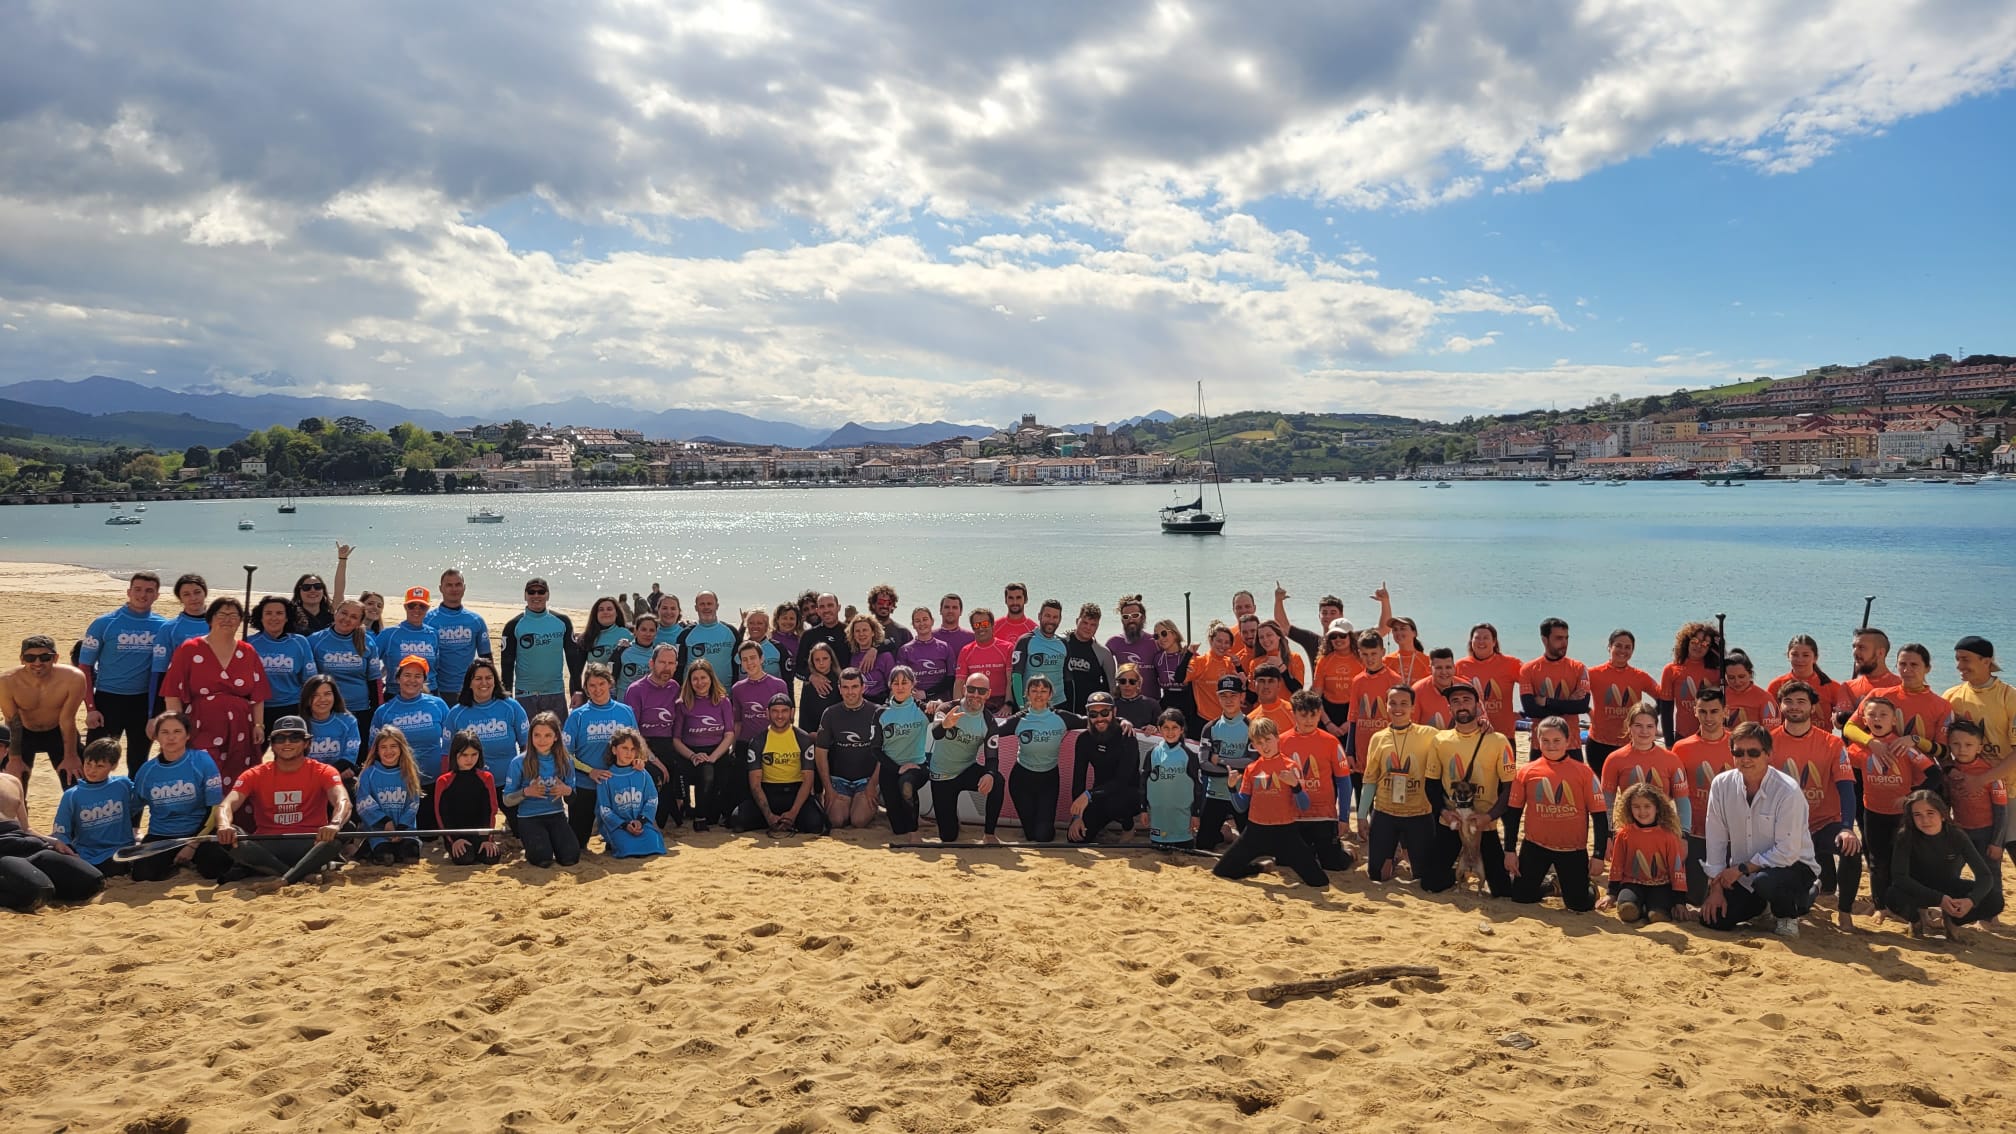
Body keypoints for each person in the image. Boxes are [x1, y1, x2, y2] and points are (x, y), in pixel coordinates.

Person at [1699, 723, 1818, 936]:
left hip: (1793, 866)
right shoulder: (1721, 785)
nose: (1745, 759)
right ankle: (1763, 907)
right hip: (1745, 872)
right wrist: (1715, 888)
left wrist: (1740, 869)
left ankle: (1790, 914)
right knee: (1714, 920)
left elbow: (1786, 852)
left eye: (1753, 752)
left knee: (1766, 882)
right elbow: (1715, 838)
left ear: (1768, 754)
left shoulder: (1787, 790)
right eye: (1738, 752)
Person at [215, 716, 353, 890]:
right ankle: (296, 874)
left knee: (347, 826)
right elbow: (226, 805)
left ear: (306, 743)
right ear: (272, 744)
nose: (287, 743)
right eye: (280, 738)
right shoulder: (254, 774)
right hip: (267, 844)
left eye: (295, 737)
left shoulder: (324, 771)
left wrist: (334, 824)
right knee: (228, 833)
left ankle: (281, 877)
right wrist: (224, 825)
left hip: (311, 843)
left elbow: (343, 801)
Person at [1767, 680, 1861, 930]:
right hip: (1784, 828)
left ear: (1812, 707)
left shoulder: (1832, 743)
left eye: (1801, 701)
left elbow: (1846, 788)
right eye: (1788, 701)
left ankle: (1845, 912)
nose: (1794, 706)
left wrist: (1846, 827)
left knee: (1852, 848)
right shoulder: (1768, 742)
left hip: (1822, 824)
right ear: (1780, 706)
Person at [1848, 696, 1941, 919]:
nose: (1877, 719)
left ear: (1893, 720)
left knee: (1905, 862)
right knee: (1877, 862)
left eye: (1883, 715)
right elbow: (1844, 775)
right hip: (1873, 812)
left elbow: (1935, 774)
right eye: (1871, 715)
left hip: (1902, 816)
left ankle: (1915, 907)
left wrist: (1911, 798)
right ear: (1864, 720)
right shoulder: (1859, 748)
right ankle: (1881, 907)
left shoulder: (1903, 747)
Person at [162, 597, 271, 784]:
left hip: (240, 727)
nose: (227, 619)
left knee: (239, 777)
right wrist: (178, 728)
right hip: (201, 724)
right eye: (222, 614)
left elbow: (258, 694)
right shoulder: (189, 649)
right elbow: (172, 692)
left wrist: (258, 725)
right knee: (205, 774)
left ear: (240, 621)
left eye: (233, 615)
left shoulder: (248, 651)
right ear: (211, 619)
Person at [1504, 717, 1607, 912]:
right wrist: (1510, 851)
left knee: (1579, 905)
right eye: (1546, 740)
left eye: (1557, 740)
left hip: (1572, 850)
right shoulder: (1526, 771)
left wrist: (1598, 855)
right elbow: (1514, 814)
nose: (1551, 746)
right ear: (1537, 742)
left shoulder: (1584, 773)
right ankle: (1553, 886)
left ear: (1568, 741)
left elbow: (1600, 816)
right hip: (1535, 846)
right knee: (1520, 897)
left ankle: (1588, 886)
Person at [1211, 718, 1330, 887]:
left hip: (1285, 833)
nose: (1265, 746)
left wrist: (1295, 786)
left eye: (1268, 740)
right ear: (1254, 745)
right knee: (1222, 871)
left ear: (1277, 738)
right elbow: (1241, 806)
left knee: (1319, 882)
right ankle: (1259, 867)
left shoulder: (1291, 766)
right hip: (1255, 832)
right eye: (1259, 743)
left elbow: (1304, 806)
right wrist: (1232, 788)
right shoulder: (1252, 769)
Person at [1425, 683, 1516, 897]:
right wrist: (1443, 812)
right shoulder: (1440, 740)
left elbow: (1510, 788)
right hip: (1452, 822)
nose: (1461, 705)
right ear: (1449, 709)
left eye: (1467, 700)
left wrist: (1489, 816)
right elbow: (1431, 783)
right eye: (1455, 701)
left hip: (1483, 824)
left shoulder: (1498, 740)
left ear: (1478, 705)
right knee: (1431, 883)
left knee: (1502, 891)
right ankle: (1461, 872)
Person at [79, 571, 171, 773]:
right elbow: (84, 667)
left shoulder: (164, 627)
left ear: (157, 595)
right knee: (96, 760)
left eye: (149, 591)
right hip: (107, 700)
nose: (142, 595)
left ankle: (134, 805)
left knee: (138, 762)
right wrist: (91, 707)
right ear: (128, 592)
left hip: (143, 702)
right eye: (137, 589)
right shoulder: (104, 623)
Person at [1888, 789, 2004, 938]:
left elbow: (1985, 876)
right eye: (1918, 815)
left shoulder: (1956, 835)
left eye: (1930, 813)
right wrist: (1938, 899)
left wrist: (1971, 901)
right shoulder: (1905, 836)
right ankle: (1916, 920)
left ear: (1942, 815)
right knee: (1893, 896)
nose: (1925, 820)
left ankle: (1953, 920)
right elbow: (1899, 877)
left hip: (1950, 886)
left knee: (1995, 899)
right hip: (1918, 888)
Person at [129, 711, 231, 882]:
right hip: (162, 835)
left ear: (187, 735)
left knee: (216, 867)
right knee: (142, 875)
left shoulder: (202, 761)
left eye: (177, 732)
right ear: (156, 737)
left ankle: (189, 861)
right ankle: (174, 865)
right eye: (165, 732)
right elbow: (132, 808)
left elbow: (215, 808)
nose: (171, 738)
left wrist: (192, 844)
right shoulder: (147, 771)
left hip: (198, 832)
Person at [1360, 685, 1441, 886]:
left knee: (1423, 876)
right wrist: (1361, 815)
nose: (1398, 708)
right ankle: (1394, 857)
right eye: (1393, 703)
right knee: (1377, 876)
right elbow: (1370, 780)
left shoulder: (1430, 734)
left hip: (1419, 814)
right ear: (1386, 706)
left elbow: (1457, 739)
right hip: (1385, 812)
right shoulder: (1378, 738)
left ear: (1413, 707)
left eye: (1404, 703)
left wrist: (1483, 725)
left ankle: (1406, 851)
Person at [1942, 635, 2016, 857]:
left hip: (2009, 789)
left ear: (1986, 661)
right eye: (1957, 659)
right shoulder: (1951, 697)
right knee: (1974, 857)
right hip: (1968, 792)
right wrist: (1951, 770)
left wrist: (1982, 780)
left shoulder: (2009, 696)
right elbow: (1941, 746)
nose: (1959, 666)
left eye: (1965, 659)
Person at [997, 674, 1091, 843]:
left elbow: (1092, 721)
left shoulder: (1061, 717)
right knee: (1031, 835)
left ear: (1050, 695)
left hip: (1048, 780)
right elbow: (992, 731)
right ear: (1027, 694)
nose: (1039, 694)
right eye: (1034, 690)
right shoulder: (1019, 719)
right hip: (1022, 780)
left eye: (1043, 690)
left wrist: (1122, 721)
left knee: (1043, 836)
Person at [564, 662, 642, 846]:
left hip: (618, 788)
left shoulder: (625, 711)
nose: (597, 689)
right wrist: (590, 771)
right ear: (586, 688)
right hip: (586, 786)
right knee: (577, 844)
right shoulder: (578, 716)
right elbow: (565, 754)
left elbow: (637, 745)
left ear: (610, 683)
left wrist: (639, 760)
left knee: (619, 844)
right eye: (592, 685)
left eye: (601, 683)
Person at [732, 694, 831, 836]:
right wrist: (768, 816)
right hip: (768, 792)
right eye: (775, 711)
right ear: (767, 713)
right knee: (738, 821)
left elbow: (808, 780)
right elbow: (755, 784)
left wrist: (793, 813)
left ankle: (788, 820)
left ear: (792, 712)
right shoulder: (758, 741)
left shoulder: (803, 739)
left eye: (784, 711)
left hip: (795, 792)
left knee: (816, 825)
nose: (780, 716)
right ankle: (775, 820)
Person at [1673, 687, 1736, 906]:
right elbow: (1673, 793)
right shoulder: (1681, 748)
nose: (1709, 717)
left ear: (1725, 712)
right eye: (1703, 711)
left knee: (1733, 898)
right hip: (1696, 833)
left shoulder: (1738, 745)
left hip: (1732, 835)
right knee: (1694, 898)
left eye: (1714, 711)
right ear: (1694, 711)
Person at [925, 674, 1005, 844]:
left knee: (997, 780)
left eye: (981, 690)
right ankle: (952, 819)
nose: (975, 694)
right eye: (971, 689)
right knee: (948, 837)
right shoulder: (948, 708)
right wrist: (945, 725)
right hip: (942, 776)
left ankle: (989, 834)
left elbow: (992, 757)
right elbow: (936, 734)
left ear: (988, 694)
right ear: (964, 689)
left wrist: (989, 774)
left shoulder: (989, 722)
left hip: (966, 770)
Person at [1280, 689, 1354, 872]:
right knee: (1288, 863)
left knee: (1333, 865)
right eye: (1303, 715)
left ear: (1320, 713)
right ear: (1294, 713)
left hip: (1323, 814)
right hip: (1294, 815)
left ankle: (1349, 852)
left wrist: (1343, 817)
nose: (1308, 720)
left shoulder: (1331, 742)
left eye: (1313, 715)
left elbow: (1344, 782)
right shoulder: (1281, 742)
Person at [1, 634, 86, 788]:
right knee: (11, 784)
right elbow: (13, 722)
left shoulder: (73, 678)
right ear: (22, 659)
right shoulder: (7, 681)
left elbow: (67, 719)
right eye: (30, 658)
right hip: (23, 733)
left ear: (55, 658)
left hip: (58, 730)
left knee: (76, 779)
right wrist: (14, 759)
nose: (38, 663)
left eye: (45, 657)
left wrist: (71, 756)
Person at [1598, 782, 1690, 925]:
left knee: (1657, 916)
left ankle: (1650, 907)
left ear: (1657, 808)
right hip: (1632, 883)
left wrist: (1680, 901)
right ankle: (1639, 906)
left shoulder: (1668, 835)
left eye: (1647, 806)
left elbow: (1676, 868)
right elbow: (1617, 864)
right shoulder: (1624, 834)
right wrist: (1611, 893)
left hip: (1661, 885)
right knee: (1627, 911)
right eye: (1636, 807)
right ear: (1629, 808)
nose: (1642, 812)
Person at [502, 712, 579, 868]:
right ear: (530, 736)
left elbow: (573, 798)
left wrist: (566, 790)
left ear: (556, 737)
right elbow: (507, 800)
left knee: (570, 858)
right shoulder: (519, 762)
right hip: (529, 817)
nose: (542, 740)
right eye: (537, 735)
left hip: (556, 815)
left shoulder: (566, 761)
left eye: (547, 735)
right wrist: (526, 792)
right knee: (542, 859)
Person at [51, 739, 140, 872]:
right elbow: (61, 831)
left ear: (114, 766)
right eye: (88, 764)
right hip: (86, 853)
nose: (91, 770)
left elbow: (140, 801)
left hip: (120, 851)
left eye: (100, 766)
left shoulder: (123, 785)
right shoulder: (72, 795)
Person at [1598, 707, 1690, 835]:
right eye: (1638, 725)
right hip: (1629, 831)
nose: (1644, 731)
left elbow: (1683, 801)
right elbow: (1607, 802)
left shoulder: (1671, 760)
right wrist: (1607, 834)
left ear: (1656, 728)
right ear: (1629, 726)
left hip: (1664, 830)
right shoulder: (1614, 759)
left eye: (1650, 726)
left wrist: (1684, 834)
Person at [814, 668, 886, 831]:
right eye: (845, 687)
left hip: (866, 780)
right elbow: (820, 752)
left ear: (863, 688)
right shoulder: (830, 714)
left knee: (858, 820)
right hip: (839, 780)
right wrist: (828, 788)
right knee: (836, 821)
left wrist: (873, 784)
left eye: (854, 687)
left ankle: (864, 805)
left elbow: (885, 752)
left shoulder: (878, 712)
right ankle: (847, 802)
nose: (850, 692)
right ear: (839, 689)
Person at [670, 659, 737, 831]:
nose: (700, 683)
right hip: (690, 754)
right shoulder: (682, 704)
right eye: (695, 679)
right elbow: (676, 739)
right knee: (706, 772)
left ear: (711, 678)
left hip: (717, 752)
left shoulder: (723, 701)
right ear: (689, 682)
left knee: (714, 815)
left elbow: (729, 734)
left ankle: (711, 811)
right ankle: (699, 816)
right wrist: (693, 756)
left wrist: (713, 757)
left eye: (703, 678)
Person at [624, 643, 685, 828]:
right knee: (658, 775)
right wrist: (655, 760)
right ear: (651, 663)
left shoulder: (675, 687)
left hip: (669, 744)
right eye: (662, 662)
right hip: (644, 745)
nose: (666, 667)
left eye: (671, 663)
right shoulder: (636, 690)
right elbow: (633, 733)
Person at [1067, 692, 1140, 842]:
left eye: (1104, 712)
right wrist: (1077, 816)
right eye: (1093, 714)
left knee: (1115, 803)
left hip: (1127, 793)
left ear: (1114, 712)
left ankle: (1128, 826)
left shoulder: (1127, 736)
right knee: (1076, 838)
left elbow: (1122, 780)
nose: (1099, 718)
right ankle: (1099, 827)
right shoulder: (1084, 739)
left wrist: (1088, 795)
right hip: (1099, 793)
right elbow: (1078, 779)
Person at [501, 578, 577, 722]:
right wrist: (506, 696)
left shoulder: (562, 621)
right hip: (525, 695)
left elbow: (573, 660)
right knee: (527, 743)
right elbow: (507, 664)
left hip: (555, 693)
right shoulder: (513, 625)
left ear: (547, 595)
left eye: (541, 592)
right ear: (525, 595)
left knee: (558, 741)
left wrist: (577, 690)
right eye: (531, 592)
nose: (536, 596)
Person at [1585, 629, 1658, 775]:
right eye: (1618, 646)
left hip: (1630, 744)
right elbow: (1575, 697)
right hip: (1599, 743)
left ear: (1632, 650)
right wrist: (1589, 713)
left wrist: (1648, 719)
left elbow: (1663, 698)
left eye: (1627, 647)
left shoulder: (1640, 676)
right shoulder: (1593, 674)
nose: (1622, 651)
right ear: (1609, 646)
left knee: (1631, 791)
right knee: (1602, 792)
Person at [309, 599, 382, 739]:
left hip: (360, 709)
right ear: (335, 613)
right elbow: (308, 681)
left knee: (359, 756)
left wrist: (375, 711)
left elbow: (374, 680)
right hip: (326, 710)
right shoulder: (314, 641)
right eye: (344, 613)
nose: (347, 619)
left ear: (359, 623)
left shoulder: (367, 642)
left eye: (354, 617)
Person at [0, 812, 103, 911]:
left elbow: (26, 828)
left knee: (92, 882)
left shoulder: (17, 792)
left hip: (31, 846)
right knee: (38, 893)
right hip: (4, 854)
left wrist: (55, 842)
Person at [1346, 630, 1404, 805]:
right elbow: (1353, 717)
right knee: (1363, 796)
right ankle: (1364, 830)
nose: (1369, 658)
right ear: (1359, 654)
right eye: (1365, 654)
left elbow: (1401, 719)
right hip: (1362, 747)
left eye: (1374, 654)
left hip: (1386, 747)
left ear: (1382, 653)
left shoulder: (1394, 680)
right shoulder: (1357, 680)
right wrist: (1349, 751)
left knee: (1387, 798)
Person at [371, 656, 451, 781]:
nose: (412, 680)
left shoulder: (438, 705)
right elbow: (373, 750)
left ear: (424, 680)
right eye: (407, 675)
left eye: (418, 676)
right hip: (399, 784)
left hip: (436, 780)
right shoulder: (383, 712)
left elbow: (452, 741)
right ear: (398, 678)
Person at [1196, 675, 1252, 851]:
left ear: (1242, 696)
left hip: (1242, 794)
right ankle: (1225, 834)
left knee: (1251, 848)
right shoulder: (1210, 728)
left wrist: (1219, 760)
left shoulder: (1251, 726)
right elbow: (1204, 764)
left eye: (1233, 695)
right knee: (1203, 846)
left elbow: (1251, 762)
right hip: (1216, 794)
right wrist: (1234, 769)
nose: (1228, 700)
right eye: (1224, 696)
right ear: (1218, 697)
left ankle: (1235, 834)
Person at [432, 731, 503, 865]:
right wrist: (454, 839)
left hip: (480, 834)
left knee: (492, 857)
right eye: (464, 755)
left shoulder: (486, 778)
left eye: (474, 755)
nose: (469, 760)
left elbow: (490, 811)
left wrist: (487, 839)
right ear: (455, 755)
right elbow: (442, 814)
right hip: (456, 835)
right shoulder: (444, 781)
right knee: (465, 858)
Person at [356, 726, 424, 865]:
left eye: (393, 746)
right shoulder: (369, 774)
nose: (388, 751)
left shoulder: (409, 773)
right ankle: (369, 846)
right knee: (386, 859)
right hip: (379, 830)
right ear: (377, 750)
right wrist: (385, 822)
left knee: (410, 858)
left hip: (405, 830)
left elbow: (413, 804)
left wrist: (401, 828)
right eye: (383, 747)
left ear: (401, 748)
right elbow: (364, 803)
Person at [246, 597, 317, 731]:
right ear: (260, 617)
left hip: (291, 707)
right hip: (258, 710)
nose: (274, 618)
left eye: (279, 613)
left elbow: (310, 681)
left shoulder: (300, 642)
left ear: (287, 618)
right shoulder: (249, 643)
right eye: (268, 613)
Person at [445, 659, 530, 771]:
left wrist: (525, 776)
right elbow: (446, 753)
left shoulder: (512, 707)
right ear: (469, 683)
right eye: (478, 678)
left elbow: (527, 746)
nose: (484, 683)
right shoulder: (456, 714)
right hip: (472, 784)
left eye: (489, 678)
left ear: (495, 681)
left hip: (509, 783)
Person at [1942, 721, 2008, 861]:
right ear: (1949, 746)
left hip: (1987, 832)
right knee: (1951, 872)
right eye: (1956, 744)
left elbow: (2001, 811)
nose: (1962, 749)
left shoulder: (1992, 774)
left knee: (1991, 874)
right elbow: (1945, 803)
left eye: (1969, 745)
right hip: (1959, 830)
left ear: (1979, 748)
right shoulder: (1949, 772)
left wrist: (1996, 843)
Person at [1519, 618, 1591, 744]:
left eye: (1566, 638)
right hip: (1540, 742)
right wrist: (1568, 703)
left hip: (1571, 742)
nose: (1564, 643)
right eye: (1559, 638)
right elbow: (1531, 710)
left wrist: (1546, 702)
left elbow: (1582, 706)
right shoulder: (1528, 669)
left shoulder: (1579, 668)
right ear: (1544, 640)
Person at [1139, 709, 1204, 849]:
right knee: (1158, 852)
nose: (1170, 732)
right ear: (1159, 730)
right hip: (1159, 818)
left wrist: (1196, 814)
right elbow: (1143, 782)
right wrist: (1143, 809)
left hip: (1183, 819)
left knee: (1184, 854)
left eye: (1175, 727)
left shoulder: (1189, 755)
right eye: (1166, 728)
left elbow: (1198, 787)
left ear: (1182, 729)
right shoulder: (1153, 753)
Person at [596, 729, 666, 858]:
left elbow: (652, 799)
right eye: (624, 748)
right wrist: (624, 825)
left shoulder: (642, 774)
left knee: (655, 845)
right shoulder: (606, 778)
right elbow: (604, 809)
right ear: (614, 750)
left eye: (633, 749)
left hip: (641, 824)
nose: (629, 753)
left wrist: (641, 820)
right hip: (618, 826)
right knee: (626, 849)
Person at [425, 568, 492, 697]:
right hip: (436, 689)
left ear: (464, 587)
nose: (454, 589)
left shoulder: (476, 620)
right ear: (441, 588)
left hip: (469, 688)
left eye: (458, 584)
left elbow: (486, 658)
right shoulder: (428, 620)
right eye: (449, 585)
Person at [1767, 635, 1851, 731]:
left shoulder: (1831, 686)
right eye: (1795, 655)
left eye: (1805, 655)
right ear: (1788, 656)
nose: (1800, 660)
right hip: (1786, 742)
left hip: (1822, 742)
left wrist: (1840, 719)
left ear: (1815, 658)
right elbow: (1769, 721)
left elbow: (1844, 721)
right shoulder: (1776, 685)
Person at [1658, 620, 1723, 745]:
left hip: (1712, 736)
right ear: (1687, 641)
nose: (1698, 646)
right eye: (1695, 641)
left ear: (1710, 648)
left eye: (1704, 644)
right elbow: (1666, 710)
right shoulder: (1671, 670)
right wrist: (1669, 742)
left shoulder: (1717, 671)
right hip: (1683, 736)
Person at [1454, 623, 1522, 740]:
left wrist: (1524, 712)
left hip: (1503, 734)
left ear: (1494, 642)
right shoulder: (1460, 666)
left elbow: (1533, 681)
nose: (1481, 642)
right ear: (1471, 641)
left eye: (1486, 638)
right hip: (1471, 733)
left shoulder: (1510, 663)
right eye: (1477, 638)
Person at [376, 587, 444, 693]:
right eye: (412, 606)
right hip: (396, 693)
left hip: (429, 692)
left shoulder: (433, 634)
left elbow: (436, 666)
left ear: (427, 608)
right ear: (405, 607)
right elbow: (370, 664)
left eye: (422, 606)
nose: (417, 610)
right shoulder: (389, 634)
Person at [299, 674, 363, 788]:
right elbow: (296, 761)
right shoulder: (299, 725)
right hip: (307, 780)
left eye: (327, 694)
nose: (322, 699)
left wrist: (331, 775)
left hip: (339, 779)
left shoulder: (349, 722)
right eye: (315, 695)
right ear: (307, 699)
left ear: (335, 696)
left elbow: (349, 758)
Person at [1007, 599, 1068, 711]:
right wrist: (1021, 706)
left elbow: (1068, 678)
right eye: (1047, 616)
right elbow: (1016, 676)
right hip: (1031, 704)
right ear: (1039, 616)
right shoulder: (1025, 640)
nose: (1051, 620)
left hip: (1058, 704)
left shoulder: (1063, 643)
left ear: (1060, 620)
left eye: (1055, 617)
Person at [571, 596, 632, 701]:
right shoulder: (587, 638)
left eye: (609, 609)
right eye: (601, 610)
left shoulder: (628, 635)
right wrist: (577, 692)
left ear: (616, 613)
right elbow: (576, 672)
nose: (605, 612)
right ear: (596, 614)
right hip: (596, 693)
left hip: (621, 694)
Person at [673, 591, 741, 686]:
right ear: (696, 608)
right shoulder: (685, 634)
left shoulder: (731, 632)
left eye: (709, 604)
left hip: (725, 694)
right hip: (694, 695)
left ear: (717, 606)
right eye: (702, 604)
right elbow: (678, 668)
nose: (706, 607)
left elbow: (738, 665)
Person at [954, 609, 1015, 714]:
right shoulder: (966, 651)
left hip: (1000, 702)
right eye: (976, 625)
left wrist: (1008, 705)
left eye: (985, 624)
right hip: (975, 701)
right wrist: (957, 709)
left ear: (992, 625)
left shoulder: (1007, 648)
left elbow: (1011, 680)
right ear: (973, 628)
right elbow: (959, 683)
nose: (981, 628)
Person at [1061, 603, 1118, 713]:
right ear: (1077, 621)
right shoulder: (1061, 643)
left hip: (1090, 714)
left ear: (1098, 626)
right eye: (1085, 622)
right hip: (1062, 709)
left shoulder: (1103, 653)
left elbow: (1111, 689)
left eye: (1093, 625)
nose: (1088, 628)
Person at [795, 593, 849, 702]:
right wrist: (811, 677)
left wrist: (874, 650)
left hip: (843, 695)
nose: (826, 610)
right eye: (822, 607)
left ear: (838, 608)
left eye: (830, 605)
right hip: (814, 695)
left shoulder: (849, 632)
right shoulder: (809, 635)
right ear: (818, 610)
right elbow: (798, 669)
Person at [898, 607, 957, 702]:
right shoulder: (905, 650)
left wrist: (926, 693)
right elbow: (901, 680)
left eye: (925, 619)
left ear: (932, 621)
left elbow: (951, 679)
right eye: (917, 621)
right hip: (915, 702)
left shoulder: (945, 647)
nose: (922, 624)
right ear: (913, 625)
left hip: (941, 702)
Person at [1151, 621, 1198, 738]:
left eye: (1164, 633)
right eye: (1156, 636)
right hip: (1167, 703)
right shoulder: (1158, 659)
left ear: (1175, 634)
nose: (1161, 638)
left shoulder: (1191, 655)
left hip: (1188, 705)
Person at [1843, 627, 1902, 713]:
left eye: (1861, 647)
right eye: (1854, 647)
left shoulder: (1901, 686)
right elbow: (1840, 720)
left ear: (1880, 653)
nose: (1855, 652)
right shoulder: (1847, 687)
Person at [845, 614, 896, 704]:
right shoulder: (851, 655)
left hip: (879, 703)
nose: (861, 634)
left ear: (873, 632)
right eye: (857, 631)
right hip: (857, 704)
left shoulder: (885, 656)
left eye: (865, 630)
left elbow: (893, 685)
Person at [1719, 651, 1776, 730]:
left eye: (1741, 676)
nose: (1737, 682)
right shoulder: (1720, 695)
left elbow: (1772, 730)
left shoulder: (1764, 698)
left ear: (1750, 674)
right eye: (1731, 677)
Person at [160, 573, 211, 659]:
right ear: (180, 599)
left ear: (205, 593)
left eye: (197, 592)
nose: (193, 598)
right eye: (186, 594)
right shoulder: (169, 628)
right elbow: (160, 669)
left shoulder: (219, 625)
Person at [797, 642, 844, 734]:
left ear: (831, 659)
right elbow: (804, 712)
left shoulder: (840, 680)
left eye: (825, 658)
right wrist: (805, 734)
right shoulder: (808, 682)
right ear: (812, 662)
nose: (821, 663)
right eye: (817, 660)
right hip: (812, 732)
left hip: (835, 731)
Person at [1106, 595, 1160, 674]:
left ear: (1143, 618)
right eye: (1125, 617)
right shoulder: (1114, 643)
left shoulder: (1155, 642)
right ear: (1122, 620)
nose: (1130, 620)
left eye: (1135, 615)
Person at [1411, 647, 1461, 731]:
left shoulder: (1466, 688)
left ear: (1454, 668)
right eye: (1439, 668)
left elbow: (1480, 717)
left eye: (1448, 667)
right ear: (1430, 669)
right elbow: (1411, 727)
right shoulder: (1417, 691)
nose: (1444, 672)